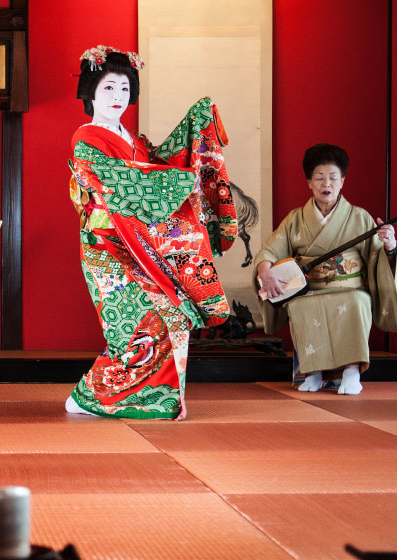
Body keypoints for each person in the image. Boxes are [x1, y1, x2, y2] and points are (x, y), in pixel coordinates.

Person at [65, 45, 237, 420]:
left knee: (173, 315)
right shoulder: (87, 139)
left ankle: (131, 396)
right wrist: (182, 180)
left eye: (125, 89)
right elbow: (128, 183)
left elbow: (159, 162)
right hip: (106, 248)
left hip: (137, 244)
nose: (117, 97)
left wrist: (196, 123)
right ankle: (93, 395)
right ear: (91, 89)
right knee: (138, 326)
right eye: (109, 87)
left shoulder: (131, 138)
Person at [254, 143, 397, 395]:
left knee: (357, 301)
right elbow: (269, 250)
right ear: (309, 183)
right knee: (299, 305)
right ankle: (313, 372)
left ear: (342, 182)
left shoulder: (359, 217)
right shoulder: (295, 219)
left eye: (333, 178)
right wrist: (265, 270)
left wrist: (390, 244)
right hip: (310, 289)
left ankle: (351, 371)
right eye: (320, 178)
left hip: (349, 288)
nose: (327, 184)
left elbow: (378, 255)